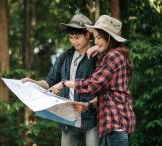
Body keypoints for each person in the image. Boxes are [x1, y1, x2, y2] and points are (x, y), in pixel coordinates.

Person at [48, 15, 136, 146]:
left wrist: (64, 83)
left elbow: (92, 85)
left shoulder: (113, 56)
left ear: (109, 38)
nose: (96, 42)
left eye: (99, 38)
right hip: (109, 125)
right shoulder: (113, 55)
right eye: (96, 38)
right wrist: (88, 105)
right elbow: (106, 94)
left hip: (115, 123)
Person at [22, 13, 99, 146]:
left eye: (77, 37)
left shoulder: (97, 56)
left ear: (87, 35)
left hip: (91, 118)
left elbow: (102, 86)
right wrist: (34, 82)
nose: (74, 41)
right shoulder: (64, 57)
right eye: (70, 37)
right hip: (68, 120)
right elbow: (50, 81)